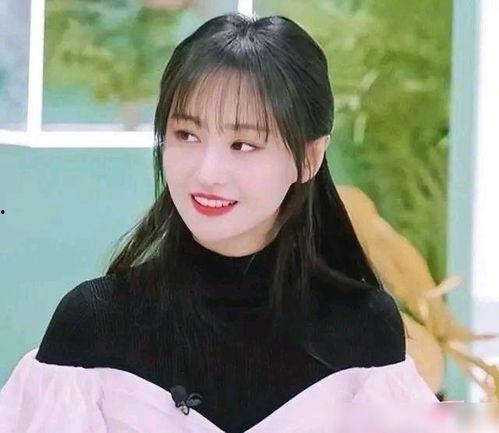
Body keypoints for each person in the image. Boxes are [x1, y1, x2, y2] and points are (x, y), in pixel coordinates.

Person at [0, 12, 438, 433]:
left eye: (243, 144)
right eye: (187, 135)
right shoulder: (92, 326)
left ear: (310, 157)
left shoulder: (364, 330)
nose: (207, 172)